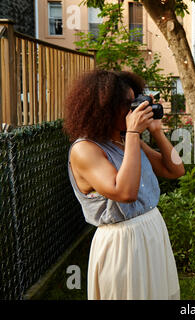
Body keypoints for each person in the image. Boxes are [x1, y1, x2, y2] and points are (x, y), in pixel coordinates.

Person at [63, 69, 185, 300]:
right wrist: (132, 134)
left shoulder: (125, 141)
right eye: (129, 104)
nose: (135, 109)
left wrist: (157, 132)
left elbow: (176, 169)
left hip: (152, 231)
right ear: (104, 107)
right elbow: (125, 192)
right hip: (122, 243)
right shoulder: (85, 149)